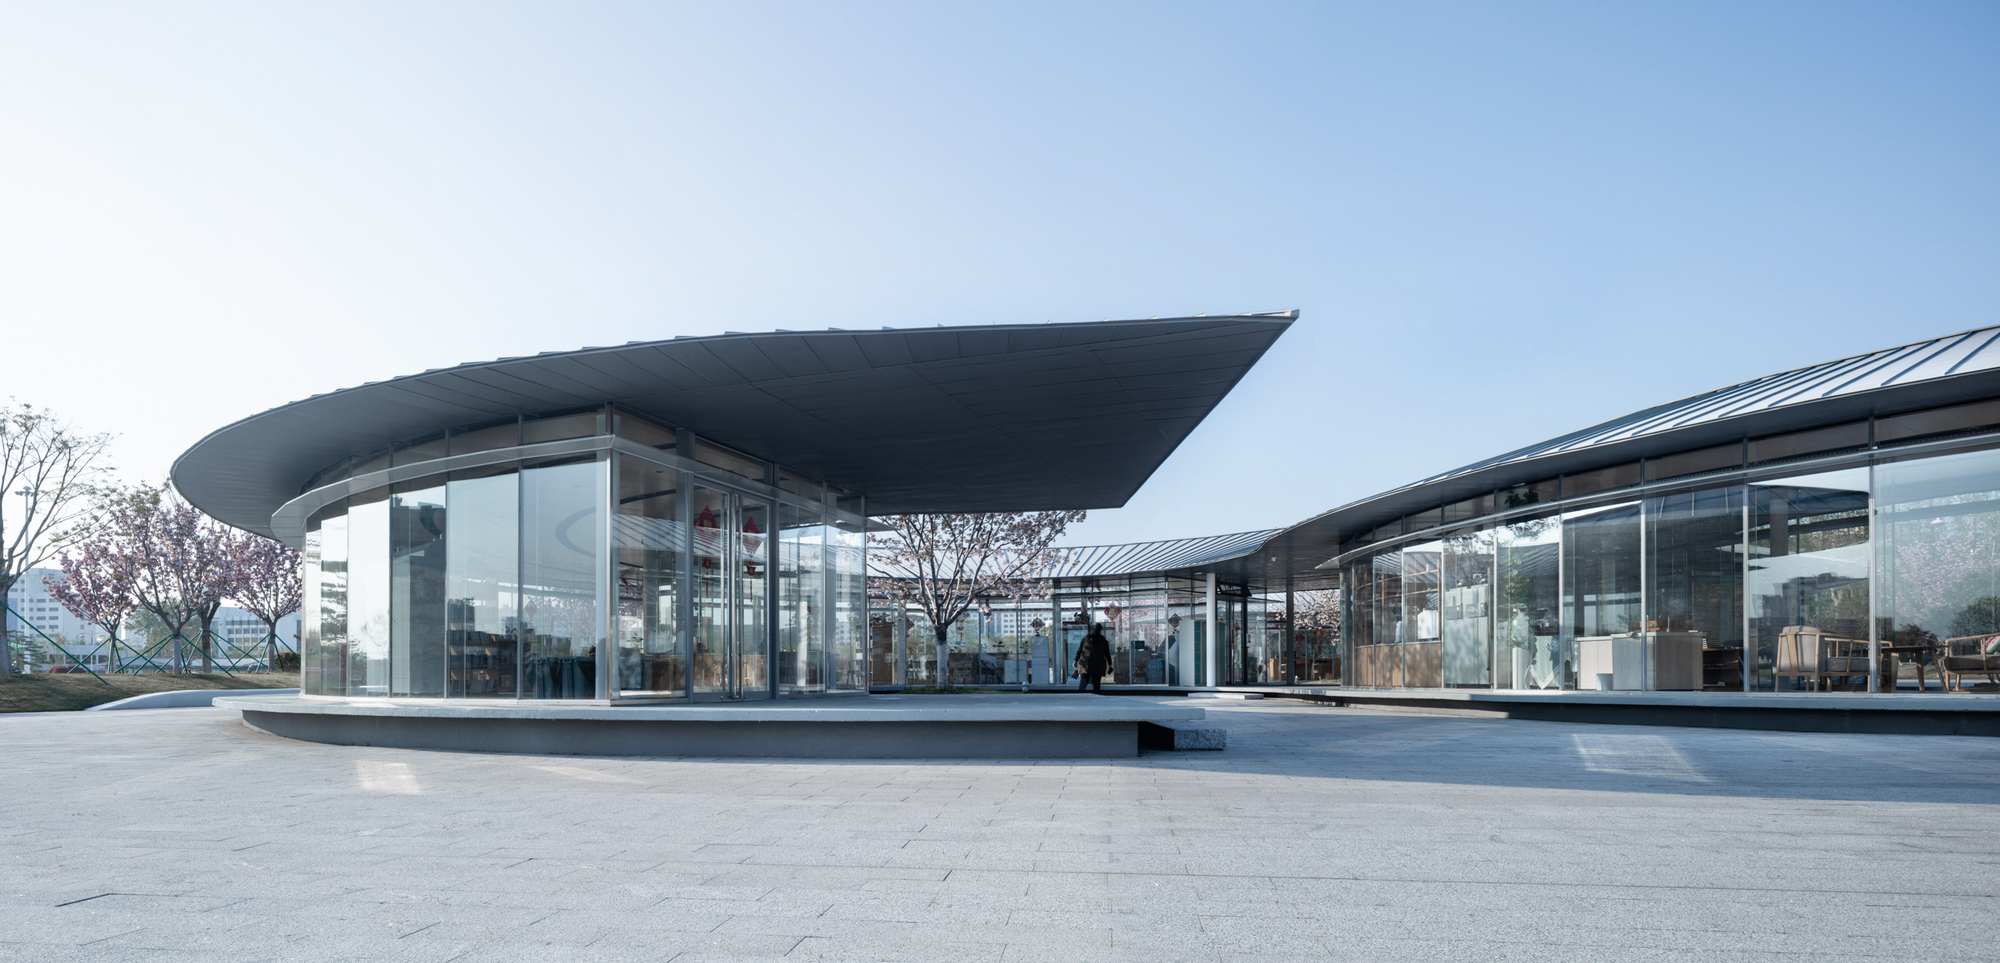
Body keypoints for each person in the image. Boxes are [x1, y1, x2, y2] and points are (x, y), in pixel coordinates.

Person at [1074, 623, 1111, 694]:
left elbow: (1079, 650)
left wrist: (1076, 660)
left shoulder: (1085, 638)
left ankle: (1080, 698)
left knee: (1083, 682)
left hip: (1085, 665)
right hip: (1098, 665)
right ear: (1100, 630)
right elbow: (1107, 653)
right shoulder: (1103, 640)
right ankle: (1096, 699)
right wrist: (1110, 663)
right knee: (1096, 684)